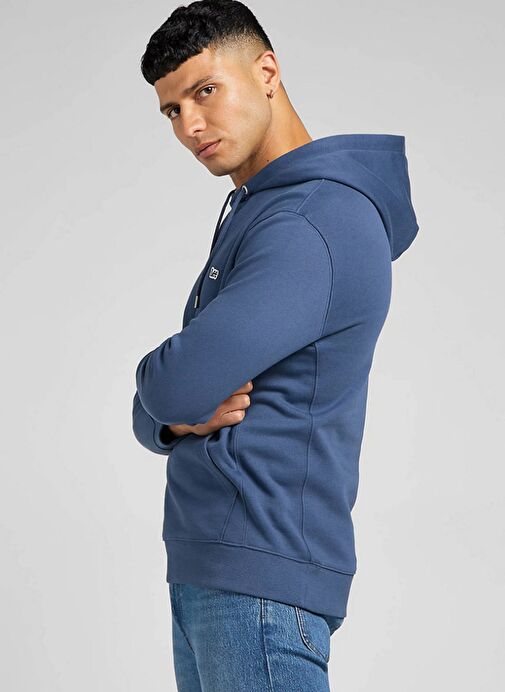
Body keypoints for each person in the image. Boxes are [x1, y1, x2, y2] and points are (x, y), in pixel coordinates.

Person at [132, 1, 419, 689]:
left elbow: (173, 385)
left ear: (266, 72)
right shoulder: (265, 209)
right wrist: (170, 415)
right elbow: (168, 407)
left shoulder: (314, 220)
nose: (190, 125)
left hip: (260, 583)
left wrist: (167, 400)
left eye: (205, 91)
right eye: (172, 110)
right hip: (217, 571)